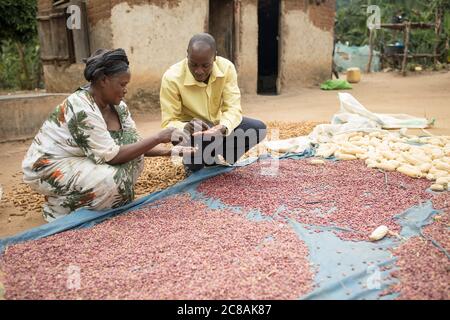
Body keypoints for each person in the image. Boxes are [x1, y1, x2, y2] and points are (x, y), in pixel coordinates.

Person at [22, 48, 190, 222]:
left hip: (81, 158)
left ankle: (100, 200)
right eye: (122, 84)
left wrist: (172, 152)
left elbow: (136, 144)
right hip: (49, 166)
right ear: (103, 80)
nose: (125, 90)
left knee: (134, 159)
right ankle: (59, 208)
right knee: (109, 179)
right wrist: (158, 136)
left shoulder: (119, 107)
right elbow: (111, 156)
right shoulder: (81, 107)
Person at [160, 33, 267, 172]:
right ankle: (198, 160)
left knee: (258, 129)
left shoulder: (227, 68)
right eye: (193, 65)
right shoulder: (172, 78)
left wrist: (221, 128)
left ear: (214, 57)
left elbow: (233, 109)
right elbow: (168, 122)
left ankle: (218, 156)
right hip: (192, 134)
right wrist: (186, 127)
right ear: (187, 55)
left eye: (205, 65)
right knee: (195, 165)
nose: (199, 71)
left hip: (217, 128)